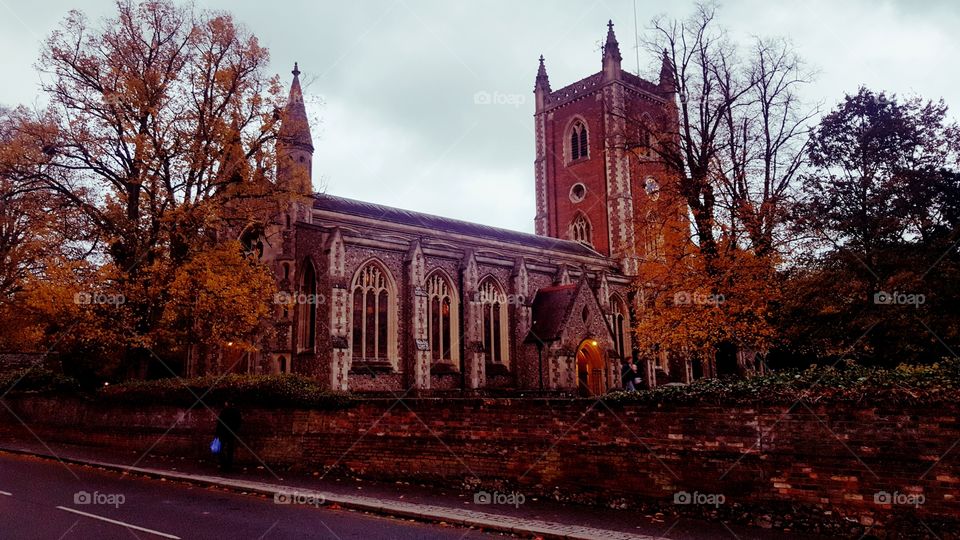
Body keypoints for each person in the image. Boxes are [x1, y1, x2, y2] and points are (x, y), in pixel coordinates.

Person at [215, 400, 242, 472]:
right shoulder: (237, 412)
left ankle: (224, 464)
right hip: (231, 433)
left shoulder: (224, 411)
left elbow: (219, 423)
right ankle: (229, 465)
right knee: (230, 449)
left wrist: (217, 434)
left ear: (227, 403)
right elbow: (239, 423)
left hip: (223, 433)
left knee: (220, 449)